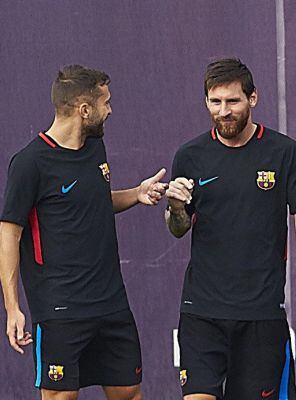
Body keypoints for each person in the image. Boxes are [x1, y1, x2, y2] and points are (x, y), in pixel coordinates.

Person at [0, 65, 168, 400]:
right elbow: (9, 235)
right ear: (85, 109)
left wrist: (136, 194)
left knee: (128, 391)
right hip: (59, 308)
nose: (110, 110)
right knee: (61, 396)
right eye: (106, 103)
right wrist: (13, 307)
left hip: (110, 302)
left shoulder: (95, 148)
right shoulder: (30, 163)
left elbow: (92, 201)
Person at [165, 58, 296, 400]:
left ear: (253, 98)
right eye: (216, 102)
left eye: (233, 101)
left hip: (260, 312)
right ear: (206, 102)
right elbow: (178, 228)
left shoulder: (284, 152)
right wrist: (175, 207)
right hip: (201, 311)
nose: (224, 111)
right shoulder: (189, 156)